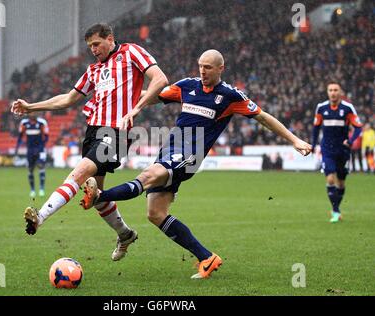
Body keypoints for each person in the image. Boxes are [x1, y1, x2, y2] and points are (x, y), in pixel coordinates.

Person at [80, 49, 312, 279]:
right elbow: (153, 96)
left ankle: (99, 196)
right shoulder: (186, 86)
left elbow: (263, 117)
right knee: (155, 213)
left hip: (189, 155)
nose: (203, 71)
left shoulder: (231, 96)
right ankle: (207, 257)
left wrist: (294, 140)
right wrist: (118, 97)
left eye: (208, 67)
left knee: (148, 175)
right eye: (200, 65)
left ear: (221, 68)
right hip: (169, 150)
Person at [11, 23, 168, 261]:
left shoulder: (131, 52)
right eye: (89, 46)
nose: (93, 50)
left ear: (110, 38)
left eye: (96, 44)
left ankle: (40, 216)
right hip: (93, 131)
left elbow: (160, 78)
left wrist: (136, 108)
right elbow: (68, 99)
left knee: (80, 174)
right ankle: (125, 234)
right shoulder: (94, 69)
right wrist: (31, 107)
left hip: (117, 131)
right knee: (96, 195)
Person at [311, 82, 363, 223]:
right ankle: (335, 210)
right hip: (327, 149)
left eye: (335, 90)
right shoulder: (321, 108)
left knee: (341, 182)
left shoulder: (348, 108)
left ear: (340, 92)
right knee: (330, 179)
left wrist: (351, 141)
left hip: (343, 150)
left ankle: (336, 208)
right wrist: (313, 145)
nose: (333, 92)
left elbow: (358, 128)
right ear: (327, 92)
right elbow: (316, 128)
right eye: (330, 90)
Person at [15, 112, 49, 198]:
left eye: (35, 112)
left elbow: (46, 136)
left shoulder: (42, 123)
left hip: (40, 150)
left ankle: (41, 189)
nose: (33, 114)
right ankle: (32, 190)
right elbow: (20, 136)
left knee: (41, 166)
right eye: (31, 112)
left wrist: (42, 147)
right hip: (30, 150)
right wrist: (17, 147)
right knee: (30, 169)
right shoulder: (24, 123)